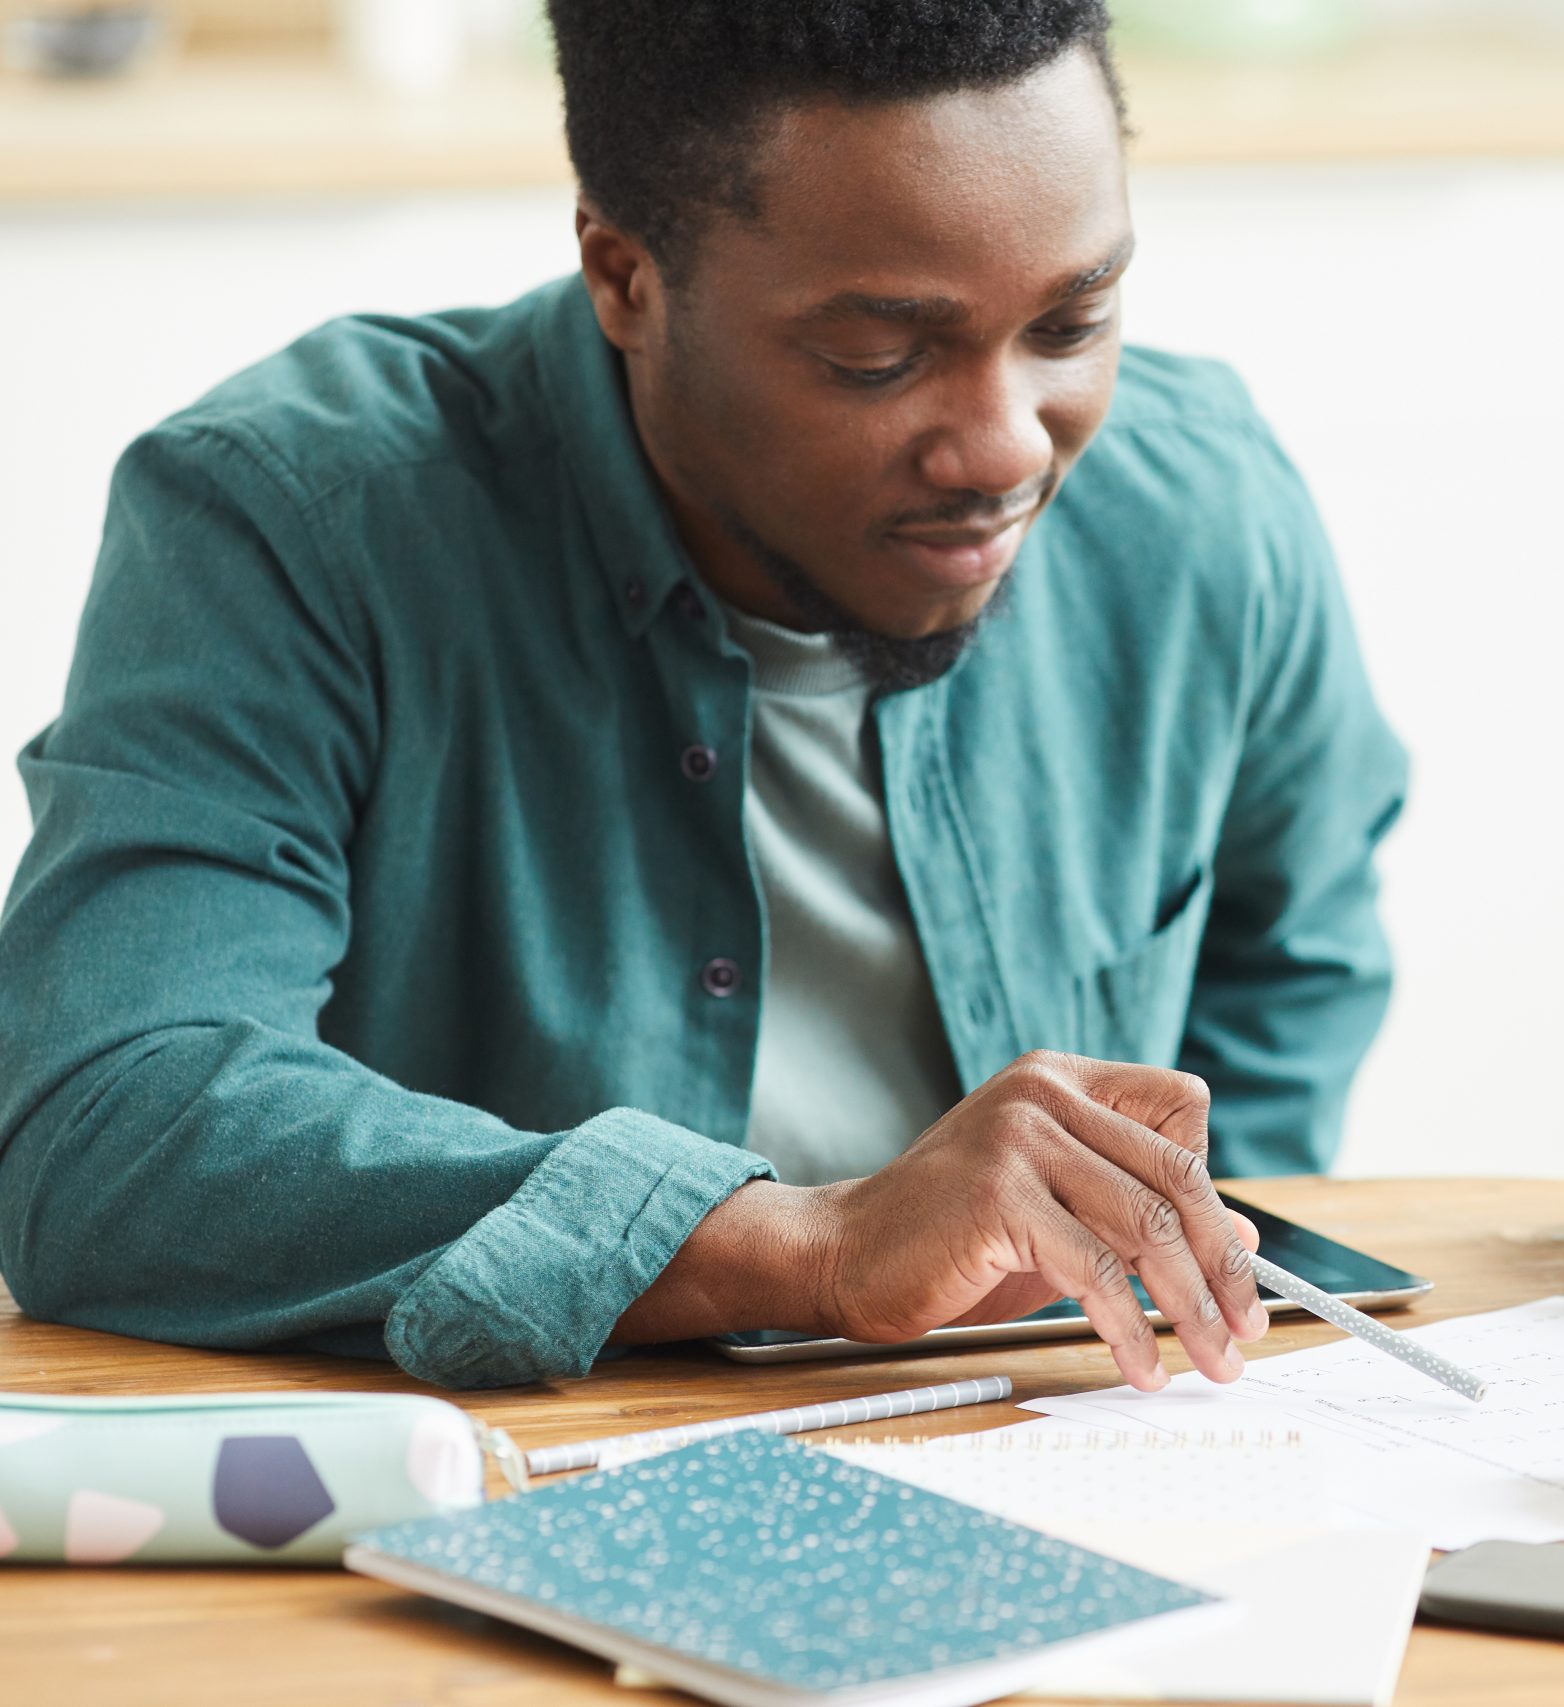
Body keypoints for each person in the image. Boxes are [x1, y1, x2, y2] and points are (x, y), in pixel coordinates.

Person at [0, 1, 1407, 1395]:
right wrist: (809, 1244)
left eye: (1073, 319)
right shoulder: (296, 521)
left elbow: (1296, 957)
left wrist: (1186, 1283)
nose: (1002, 446)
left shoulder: (1201, 505)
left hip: (1082, 1437)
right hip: (518, 1472)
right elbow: (108, 1123)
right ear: (624, 277)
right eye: (879, 358)